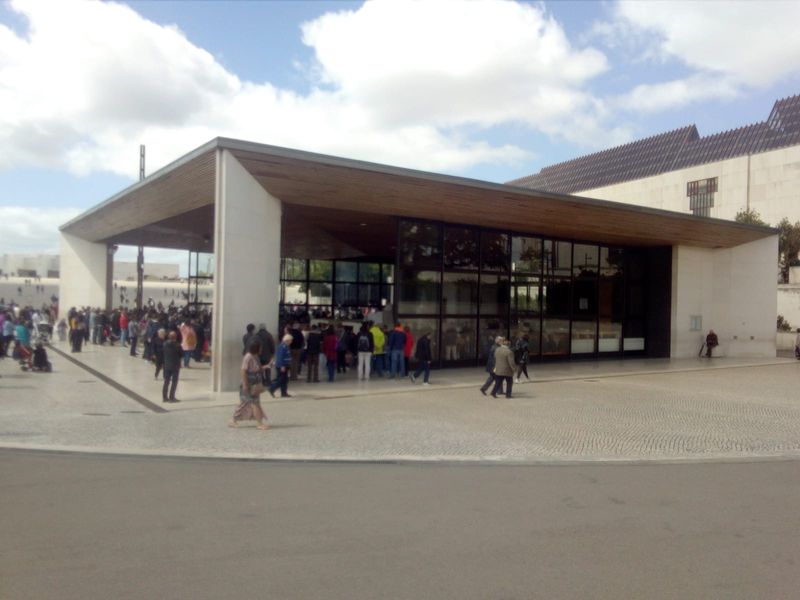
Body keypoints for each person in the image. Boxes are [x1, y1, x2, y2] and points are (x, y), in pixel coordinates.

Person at [230, 339, 269, 430]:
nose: (262, 349)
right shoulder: (248, 357)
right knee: (254, 403)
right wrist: (245, 385)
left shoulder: (256, 357)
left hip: (255, 384)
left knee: (246, 403)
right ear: (257, 348)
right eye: (260, 347)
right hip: (249, 384)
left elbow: (256, 369)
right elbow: (243, 370)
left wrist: (265, 367)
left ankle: (233, 419)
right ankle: (259, 423)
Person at [268, 334, 293, 398]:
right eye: (290, 340)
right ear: (287, 340)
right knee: (281, 379)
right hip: (282, 366)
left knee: (285, 380)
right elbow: (280, 357)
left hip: (286, 365)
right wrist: (282, 366)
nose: (291, 342)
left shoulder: (286, 346)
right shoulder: (282, 346)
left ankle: (284, 392)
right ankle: (272, 388)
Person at [162, 331, 182, 403]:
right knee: (174, 382)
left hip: (167, 365)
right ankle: (171, 397)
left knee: (166, 381)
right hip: (175, 365)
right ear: (175, 338)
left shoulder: (164, 344)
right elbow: (181, 354)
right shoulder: (178, 345)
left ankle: (164, 397)